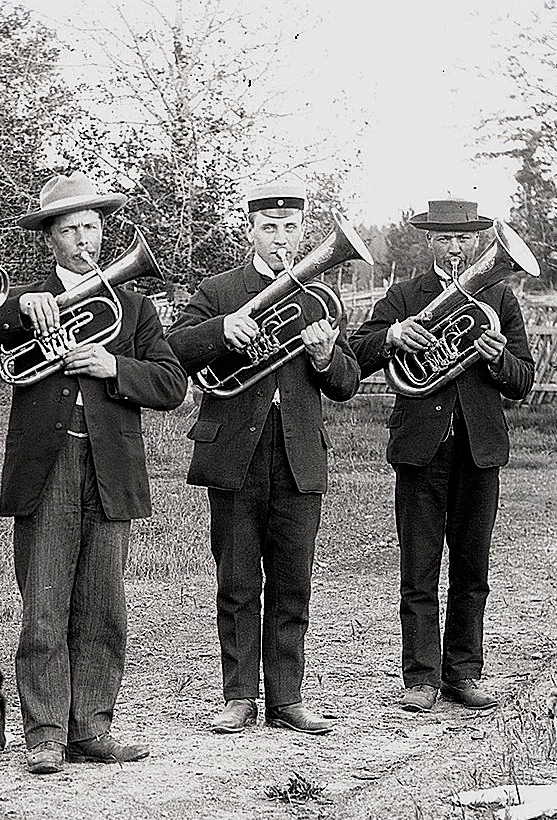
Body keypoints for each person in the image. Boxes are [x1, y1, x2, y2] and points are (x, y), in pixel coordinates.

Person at [0, 172, 187, 774]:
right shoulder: (21, 300)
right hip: (46, 466)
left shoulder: (134, 307)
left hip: (110, 465)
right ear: (49, 239)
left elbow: (172, 385)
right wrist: (21, 307)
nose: (84, 240)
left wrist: (112, 365)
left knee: (104, 604)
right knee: (43, 602)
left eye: (92, 227)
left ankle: (92, 726)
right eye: (70, 230)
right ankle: (45, 732)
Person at [166, 180, 360, 736]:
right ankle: (239, 695)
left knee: (293, 580)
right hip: (234, 453)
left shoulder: (321, 298)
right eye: (269, 228)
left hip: (298, 454)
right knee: (237, 578)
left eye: (291, 229)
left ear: (303, 234)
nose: (281, 238)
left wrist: (325, 358)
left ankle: (287, 697)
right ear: (251, 230)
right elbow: (175, 347)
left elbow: (346, 382)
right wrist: (222, 331)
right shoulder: (221, 289)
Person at [348, 199, 534, 712]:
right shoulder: (404, 295)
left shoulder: (499, 298)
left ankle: (464, 673)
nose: (455, 248)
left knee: (472, 571)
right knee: (419, 568)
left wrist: (498, 360)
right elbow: (356, 354)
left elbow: (523, 381)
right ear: (429, 241)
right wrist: (391, 335)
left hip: (480, 450)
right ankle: (421, 678)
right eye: (445, 239)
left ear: (476, 243)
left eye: (464, 239)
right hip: (419, 450)